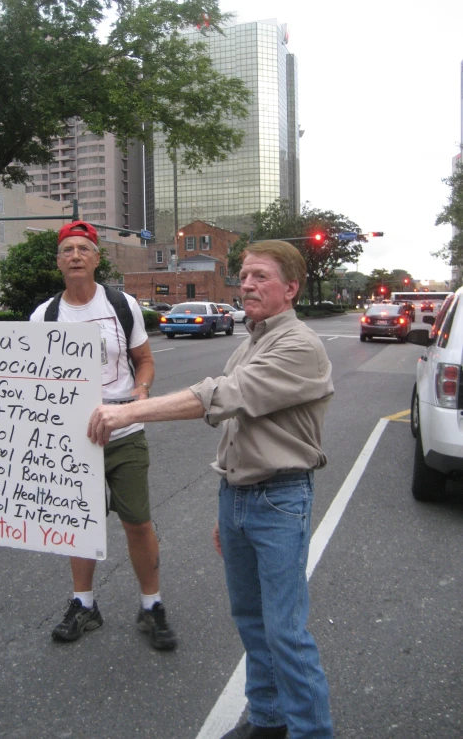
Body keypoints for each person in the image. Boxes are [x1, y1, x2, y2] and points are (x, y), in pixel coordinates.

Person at [88, 240, 334, 739]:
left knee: (286, 632)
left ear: (290, 288)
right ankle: (268, 721)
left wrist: (128, 411)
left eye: (260, 276)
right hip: (243, 497)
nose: (246, 284)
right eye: (243, 275)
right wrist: (232, 509)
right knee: (250, 619)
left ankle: (312, 732)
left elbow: (222, 396)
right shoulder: (253, 339)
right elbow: (236, 425)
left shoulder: (300, 345)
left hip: (281, 498)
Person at [30, 220, 177, 651]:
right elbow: (33, 377)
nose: (75, 255)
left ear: (96, 258)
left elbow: (144, 360)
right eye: (67, 250)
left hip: (125, 432)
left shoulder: (122, 305)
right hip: (73, 440)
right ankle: (84, 604)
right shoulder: (45, 316)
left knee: (137, 521)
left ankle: (151, 605)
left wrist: (141, 390)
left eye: (83, 249)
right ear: (58, 262)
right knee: (79, 524)